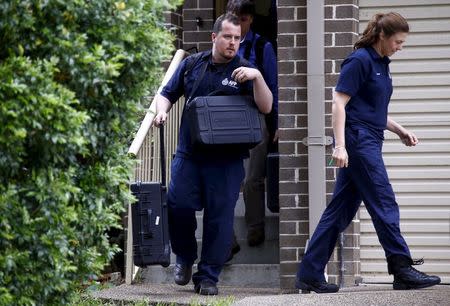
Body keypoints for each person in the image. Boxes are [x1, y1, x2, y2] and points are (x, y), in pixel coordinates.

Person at [295, 12, 441, 294]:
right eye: (398, 41)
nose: (400, 47)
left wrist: (399, 130)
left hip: (369, 138)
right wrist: (339, 145)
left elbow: (372, 110)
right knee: (383, 199)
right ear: (382, 37)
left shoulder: (381, 64)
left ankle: (309, 273)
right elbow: (339, 102)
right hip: (358, 141)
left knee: (339, 210)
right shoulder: (360, 60)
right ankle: (401, 267)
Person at [153, 13, 272, 295]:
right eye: (228, 37)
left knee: (219, 219)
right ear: (214, 37)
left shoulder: (245, 70)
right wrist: (161, 111)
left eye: (237, 38)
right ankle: (184, 256)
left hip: (227, 161)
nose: (233, 43)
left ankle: (208, 277)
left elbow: (266, 107)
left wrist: (257, 77)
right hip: (189, 155)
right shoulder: (192, 65)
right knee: (178, 205)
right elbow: (165, 94)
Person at [226, 0, 278, 250]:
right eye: (234, 18)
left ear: (251, 19)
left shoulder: (262, 46)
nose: (238, 24)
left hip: (256, 115)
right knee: (225, 178)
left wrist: (277, 121)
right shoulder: (223, 44)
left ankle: (255, 228)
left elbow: (275, 86)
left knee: (252, 178)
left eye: (243, 19)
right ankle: (228, 239)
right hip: (226, 119)